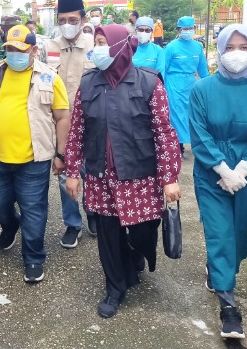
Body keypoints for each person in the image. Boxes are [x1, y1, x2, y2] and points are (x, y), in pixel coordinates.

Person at [64, 23, 181, 319]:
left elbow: (164, 133)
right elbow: (77, 131)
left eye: (103, 42)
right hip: (101, 175)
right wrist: (73, 172)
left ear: (120, 46)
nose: (98, 48)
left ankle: (136, 253)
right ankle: (115, 287)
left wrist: (169, 178)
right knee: (108, 234)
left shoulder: (149, 83)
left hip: (140, 175)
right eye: (96, 42)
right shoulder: (88, 84)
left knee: (143, 232)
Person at [189, 24, 247, 340]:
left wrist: (242, 169)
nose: (236, 54)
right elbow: (199, 133)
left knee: (239, 235)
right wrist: (223, 170)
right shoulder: (202, 90)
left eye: (243, 47)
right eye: (229, 47)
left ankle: (220, 269)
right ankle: (228, 309)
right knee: (220, 233)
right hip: (211, 173)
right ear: (219, 50)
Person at [0, 25, 70, 283]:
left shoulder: (49, 77)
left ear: (34, 50)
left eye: (20, 49)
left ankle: (34, 257)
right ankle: (11, 225)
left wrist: (61, 154)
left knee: (33, 210)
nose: (14, 53)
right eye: (10, 48)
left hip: (34, 160)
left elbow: (62, 117)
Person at [44, 0, 96, 247]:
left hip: (92, 122)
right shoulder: (48, 47)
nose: (67, 24)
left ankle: (93, 213)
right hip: (60, 123)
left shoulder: (95, 46)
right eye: (63, 20)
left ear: (82, 20)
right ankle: (72, 224)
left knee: (93, 172)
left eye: (73, 20)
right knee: (65, 174)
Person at [164, 16, 209, 158]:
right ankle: (178, 146)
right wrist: (161, 88)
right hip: (174, 84)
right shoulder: (171, 47)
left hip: (191, 83)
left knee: (191, 114)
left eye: (190, 28)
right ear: (179, 30)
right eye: (185, 29)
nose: (188, 31)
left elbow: (203, 69)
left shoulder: (197, 47)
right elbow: (163, 68)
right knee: (176, 115)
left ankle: (194, 143)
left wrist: (209, 86)